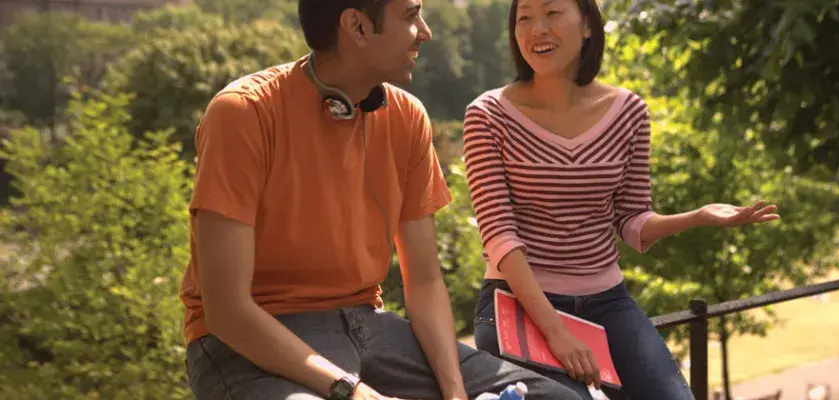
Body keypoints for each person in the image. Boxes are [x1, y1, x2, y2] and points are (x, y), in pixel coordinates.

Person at [179, 1, 586, 399]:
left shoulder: (407, 116)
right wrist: (351, 391)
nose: (425, 32)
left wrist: (455, 391)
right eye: (411, 16)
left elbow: (424, 282)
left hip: (368, 327)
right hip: (253, 340)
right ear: (356, 26)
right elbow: (227, 311)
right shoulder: (242, 113)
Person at [461, 0, 781, 399]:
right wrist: (556, 332)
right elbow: (498, 235)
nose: (536, 29)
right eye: (524, 17)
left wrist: (697, 216)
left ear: (589, 26)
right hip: (517, 305)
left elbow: (632, 219)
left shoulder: (628, 111)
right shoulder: (488, 115)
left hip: (607, 303)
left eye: (552, 13)